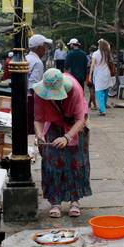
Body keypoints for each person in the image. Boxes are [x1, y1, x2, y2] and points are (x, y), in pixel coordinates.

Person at [33, 68, 91, 218]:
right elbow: (38, 118)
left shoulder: (75, 89)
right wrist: (39, 135)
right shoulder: (40, 93)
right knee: (52, 161)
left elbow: (81, 119)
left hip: (75, 126)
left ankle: (75, 200)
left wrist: (67, 137)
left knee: (76, 163)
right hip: (53, 125)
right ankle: (55, 201)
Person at [88, 39, 115, 116]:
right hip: (107, 74)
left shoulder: (95, 54)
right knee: (105, 91)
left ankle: (102, 110)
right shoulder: (107, 53)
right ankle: (103, 107)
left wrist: (90, 75)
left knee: (99, 92)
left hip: (99, 75)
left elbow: (92, 66)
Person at [87, 45, 98, 110]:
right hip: (96, 74)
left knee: (91, 90)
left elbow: (87, 65)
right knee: (93, 90)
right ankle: (93, 104)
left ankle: (93, 104)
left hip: (89, 74)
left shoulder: (87, 57)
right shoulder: (97, 56)